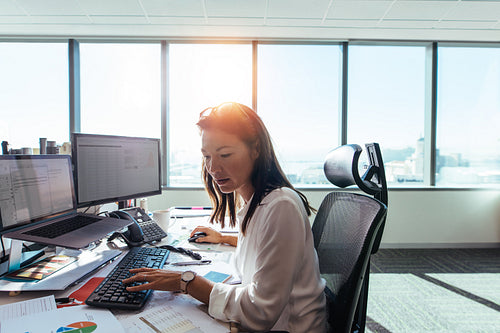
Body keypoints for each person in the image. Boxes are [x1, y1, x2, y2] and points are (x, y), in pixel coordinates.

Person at [123, 102, 326, 332]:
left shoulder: (281, 206)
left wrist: (187, 282)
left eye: (225, 154)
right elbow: (267, 248)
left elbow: (260, 313)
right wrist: (223, 238)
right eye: (207, 156)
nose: (213, 167)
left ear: (256, 149)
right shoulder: (256, 201)